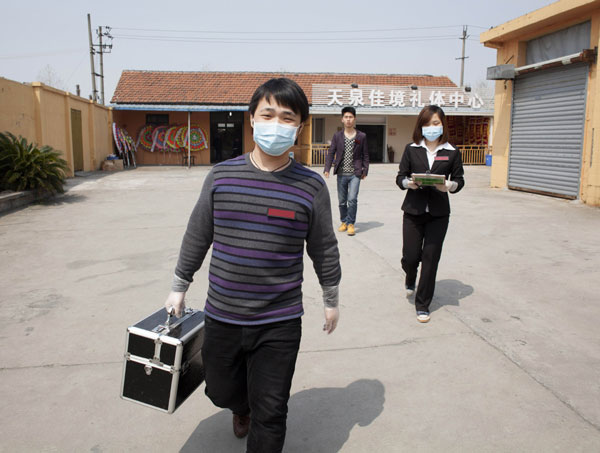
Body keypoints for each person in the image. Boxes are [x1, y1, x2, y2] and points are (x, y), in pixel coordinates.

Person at [164, 78, 342, 453]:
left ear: (300, 126)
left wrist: (331, 296)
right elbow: (198, 234)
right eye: (268, 114)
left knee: (273, 410)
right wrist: (179, 284)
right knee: (219, 389)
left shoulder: (310, 187)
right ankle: (239, 406)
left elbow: (324, 247)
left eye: (287, 117)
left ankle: (255, 411)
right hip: (223, 315)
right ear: (251, 119)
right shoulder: (222, 176)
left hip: (279, 320)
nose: (276, 124)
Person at [395, 105, 464, 323]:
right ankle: (410, 275)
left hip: (439, 214)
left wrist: (449, 186)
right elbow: (400, 177)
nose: (431, 128)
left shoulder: (451, 152)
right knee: (411, 256)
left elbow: (460, 180)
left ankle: (423, 304)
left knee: (430, 258)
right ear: (421, 126)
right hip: (413, 211)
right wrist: (409, 183)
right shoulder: (411, 148)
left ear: (442, 125)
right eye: (427, 123)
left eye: (435, 123)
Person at [323, 106, 369, 236]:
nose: (348, 120)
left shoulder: (361, 136)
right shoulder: (337, 136)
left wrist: (365, 170)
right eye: (346, 117)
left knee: (352, 199)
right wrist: (327, 168)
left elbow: (365, 155)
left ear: (354, 119)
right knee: (342, 200)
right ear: (342, 119)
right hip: (341, 173)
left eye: (351, 117)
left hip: (355, 173)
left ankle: (351, 224)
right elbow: (331, 152)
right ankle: (344, 221)